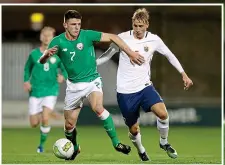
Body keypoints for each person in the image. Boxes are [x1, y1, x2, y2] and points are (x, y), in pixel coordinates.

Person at [39, 10, 145, 160]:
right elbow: (42, 62)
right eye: (73, 24)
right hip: (73, 87)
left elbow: (113, 37)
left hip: (92, 81)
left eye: (79, 24)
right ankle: (74, 147)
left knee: (98, 108)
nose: (77, 27)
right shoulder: (57, 41)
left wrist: (131, 53)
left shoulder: (87, 35)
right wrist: (46, 55)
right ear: (65, 25)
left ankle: (116, 143)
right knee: (69, 126)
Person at [96, 8, 193, 161]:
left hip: (145, 87)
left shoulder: (154, 39)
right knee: (134, 129)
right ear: (132, 24)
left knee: (163, 113)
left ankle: (164, 142)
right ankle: (141, 149)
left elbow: (169, 55)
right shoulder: (122, 38)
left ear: (147, 25)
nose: (138, 29)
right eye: (135, 26)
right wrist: (91, 65)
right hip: (125, 91)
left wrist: (183, 74)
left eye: (141, 26)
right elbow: (107, 55)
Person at [23, 26, 68, 153]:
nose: (47, 37)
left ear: (53, 37)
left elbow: (65, 70)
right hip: (35, 91)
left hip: (51, 90)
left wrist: (62, 76)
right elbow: (27, 69)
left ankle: (41, 146)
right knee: (34, 123)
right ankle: (48, 112)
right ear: (41, 37)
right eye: (44, 35)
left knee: (45, 119)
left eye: (49, 35)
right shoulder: (34, 54)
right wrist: (26, 81)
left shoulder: (58, 55)